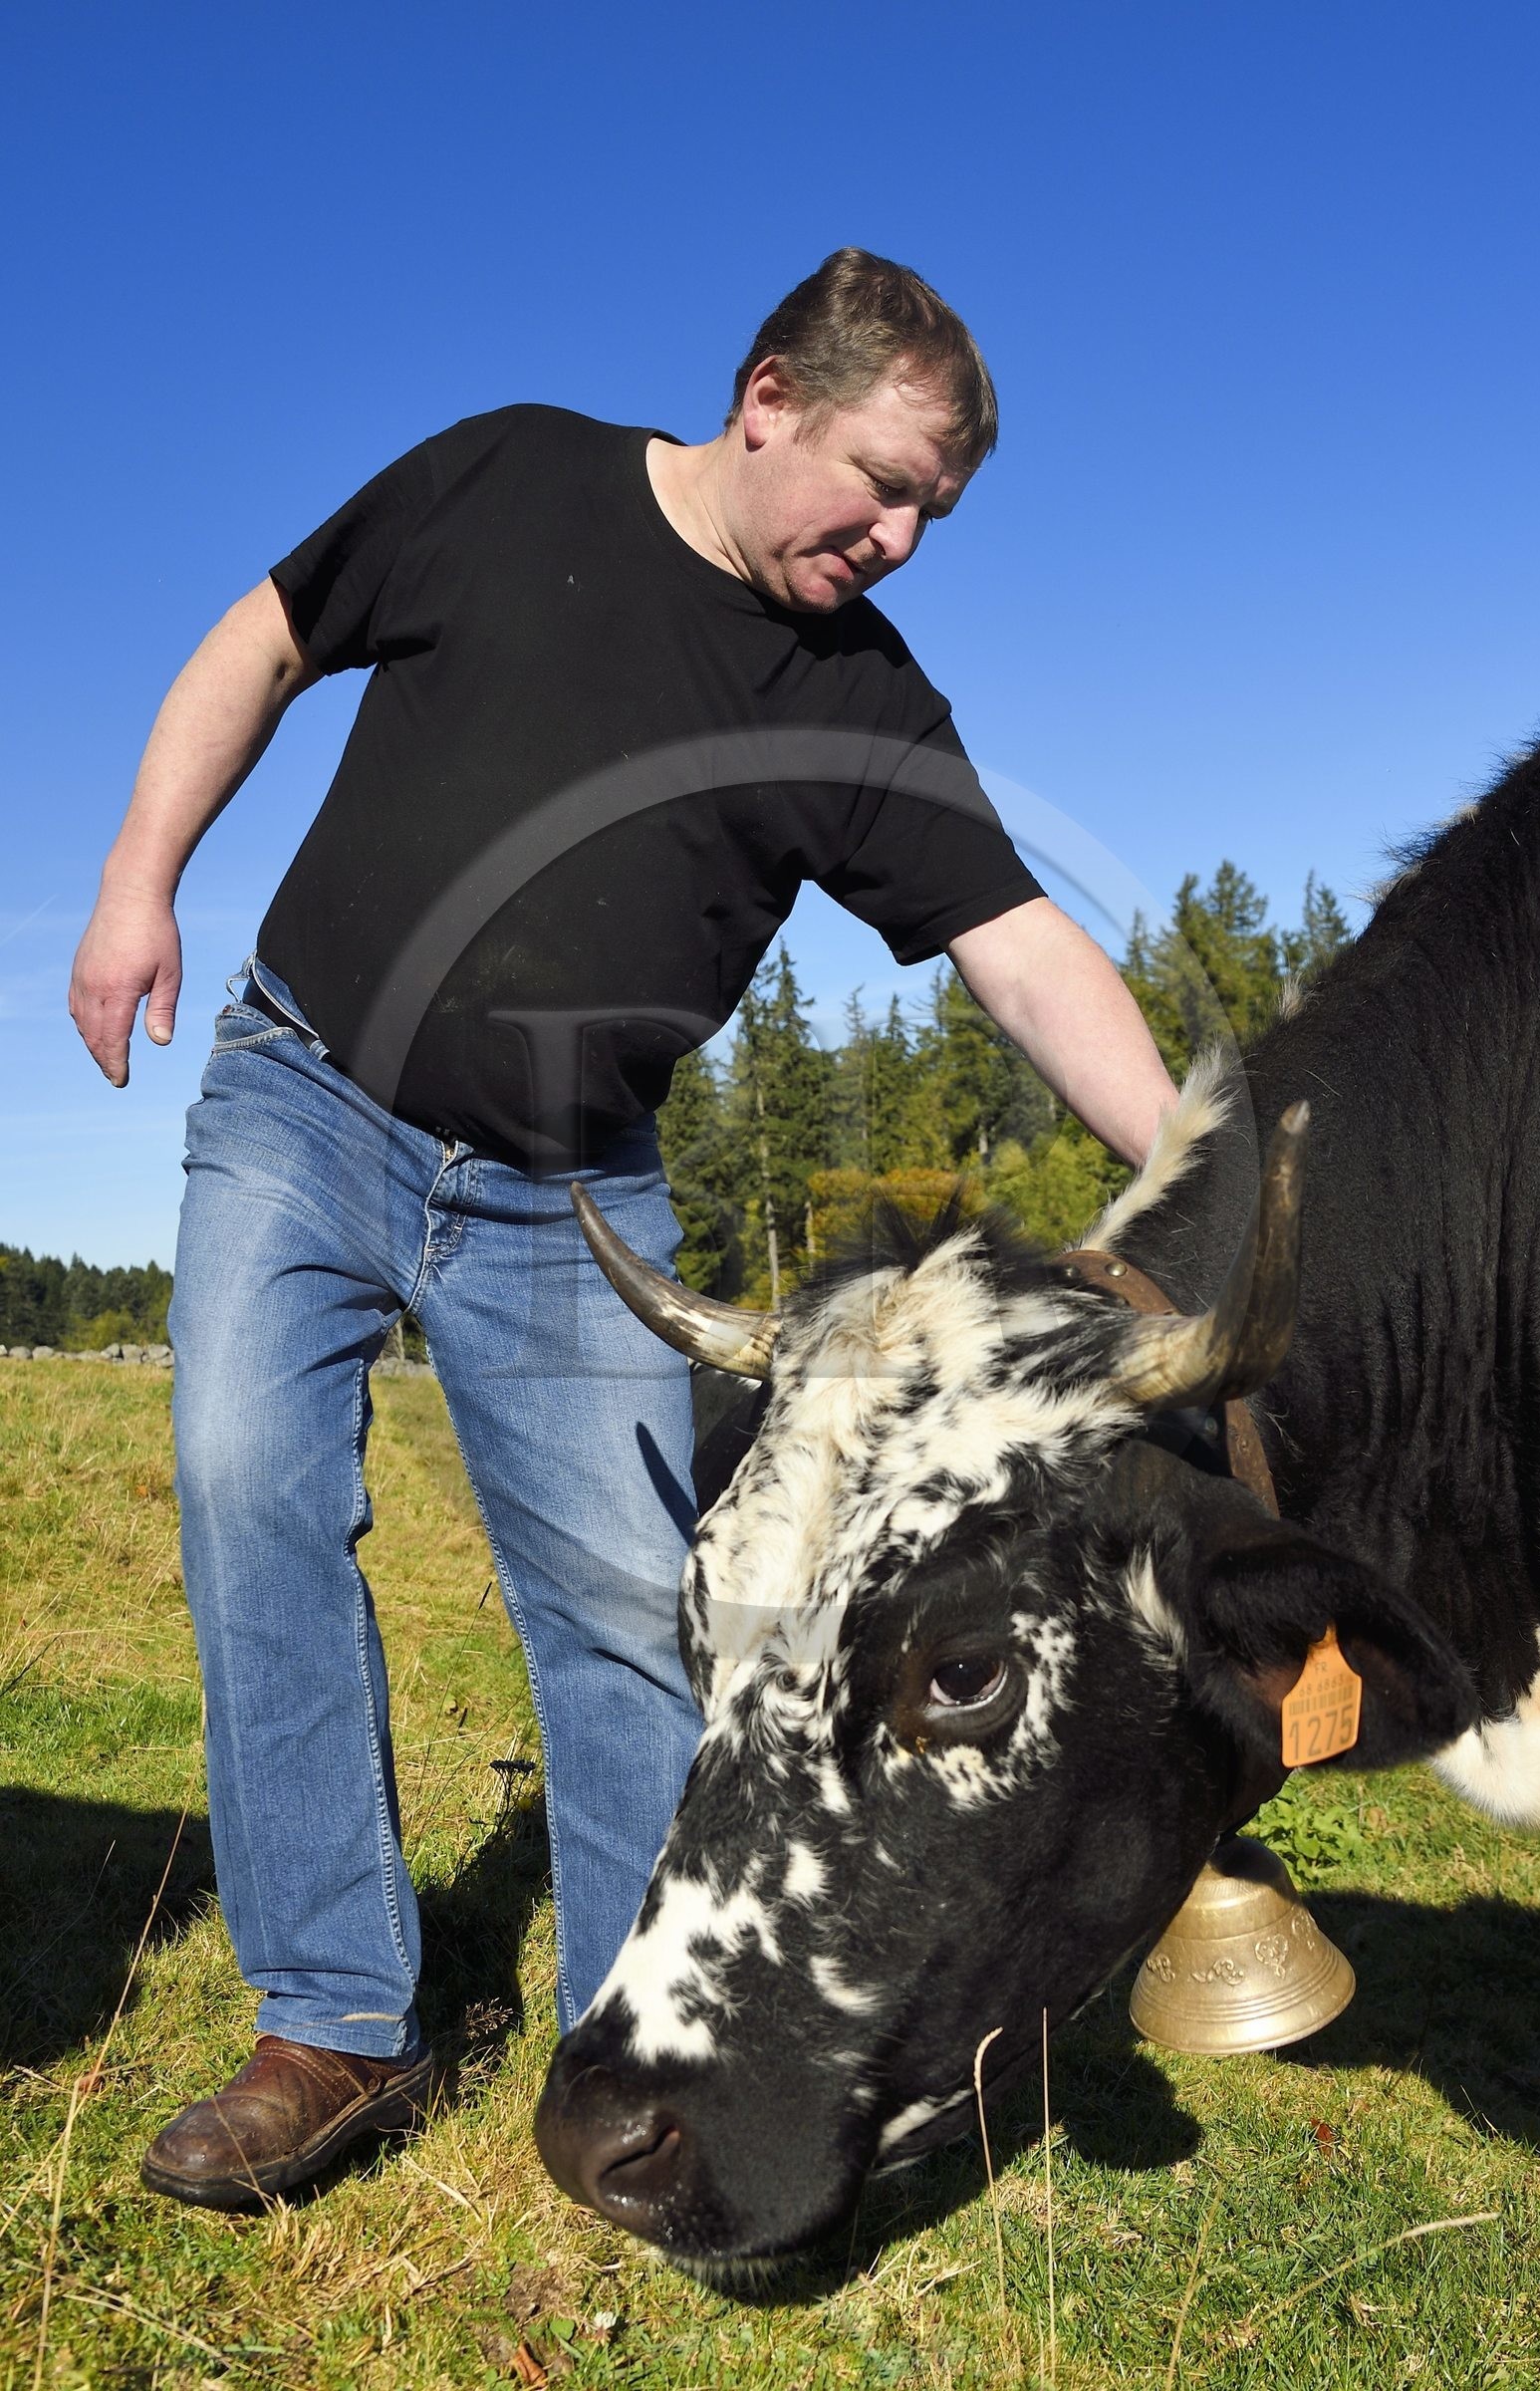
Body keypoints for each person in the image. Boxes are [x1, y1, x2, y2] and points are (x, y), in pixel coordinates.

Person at [69, 248, 1177, 2209]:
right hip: (304, 1098)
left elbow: (1018, 951)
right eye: (883, 482)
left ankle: (643, 2053)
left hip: (566, 1203)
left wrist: (1187, 1169)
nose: (902, 539)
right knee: (247, 1484)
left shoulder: (850, 697)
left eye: (933, 510)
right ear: (767, 397)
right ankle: (331, 2026)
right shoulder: (503, 479)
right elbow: (257, 639)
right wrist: (137, 879)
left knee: (618, 1618)